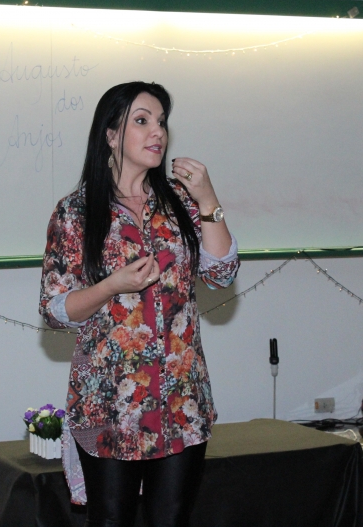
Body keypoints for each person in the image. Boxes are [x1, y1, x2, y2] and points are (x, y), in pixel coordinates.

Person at [39, 81, 240, 527]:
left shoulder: (182, 203)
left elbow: (222, 273)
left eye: (162, 123)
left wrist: (208, 198)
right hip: (110, 403)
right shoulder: (76, 212)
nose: (158, 133)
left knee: (172, 520)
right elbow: (54, 309)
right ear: (111, 135)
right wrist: (110, 286)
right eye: (143, 121)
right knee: (111, 520)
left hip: (181, 400)